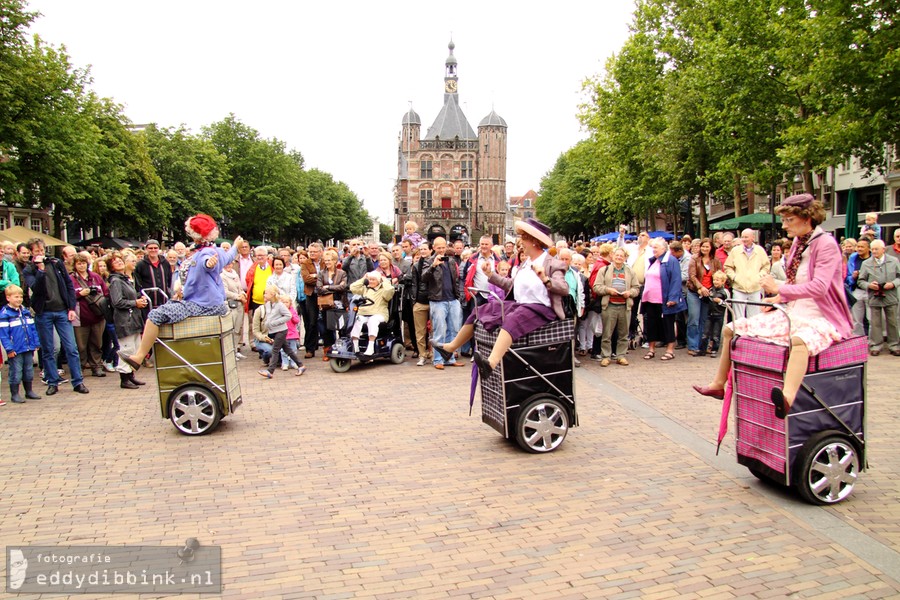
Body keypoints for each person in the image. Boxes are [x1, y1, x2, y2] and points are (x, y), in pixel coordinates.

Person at [693, 193, 853, 419]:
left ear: (806, 218)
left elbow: (819, 287)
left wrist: (780, 290)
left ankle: (786, 398)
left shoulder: (826, 244)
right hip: (795, 310)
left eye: (789, 220)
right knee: (732, 328)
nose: (784, 225)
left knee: (799, 342)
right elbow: (796, 282)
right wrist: (778, 300)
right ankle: (719, 383)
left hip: (822, 315)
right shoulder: (799, 243)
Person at [433, 218, 569, 380]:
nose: (520, 242)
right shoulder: (525, 264)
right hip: (520, 305)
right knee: (480, 310)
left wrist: (545, 278)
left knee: (512, 319)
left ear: (534, 241)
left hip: (541, 309)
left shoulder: (552, 263)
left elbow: (564, 288)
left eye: (523, 238)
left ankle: (490, 363)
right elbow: (511, 285)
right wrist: (491, 275)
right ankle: (450, 348)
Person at [118, 214, 241, 372]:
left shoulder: (205, 254)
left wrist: (209, 265)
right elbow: (227, 256)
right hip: (207, 302)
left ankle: (139, 356)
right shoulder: (212, 250)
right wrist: (235, 246)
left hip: (203, 304)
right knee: (168, 308)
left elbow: (207, 264)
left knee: (154, 316)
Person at [21, 238, 89, 396]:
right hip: (43, 312)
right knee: (49, 350)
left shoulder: (56, 263)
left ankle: (78, 381)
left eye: (42, 250)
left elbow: (68, 285)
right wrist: (40, 270)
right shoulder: (29, 270)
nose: (40, 253)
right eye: (37, 251)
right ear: (31, 252)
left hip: (62, 311)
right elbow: (36, 288)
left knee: (71, 348)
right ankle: (52, 382)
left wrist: (71, 307)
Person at [639, 238, 686, 361]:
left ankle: (670, 350)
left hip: (664, 299)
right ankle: (651, 349)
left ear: (664, 248)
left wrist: (673, 298)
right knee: (651, 324)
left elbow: (676, 280)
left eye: (656, 247)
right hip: (650, 299)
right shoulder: (654, 260)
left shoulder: (671, 260)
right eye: (653, 247)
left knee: (668, 323)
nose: (653, 250)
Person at [106, 251, 147, 389]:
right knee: (127, 348)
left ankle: (130, 375)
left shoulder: (124, 279)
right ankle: (124, 377)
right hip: (124, 320)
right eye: (115, 261)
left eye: (120, 260)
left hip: (133, 318)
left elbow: (131, 295)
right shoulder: (116, 281)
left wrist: (139, 299)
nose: (119, 262)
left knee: (135, 347)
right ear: (111, 266)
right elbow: (117, 302)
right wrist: (135, 303)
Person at [423, 237, 464, 369]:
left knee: (454, 330)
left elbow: (456, 279)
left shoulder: (451, 261)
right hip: (437, 300)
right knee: (439, 330)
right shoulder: (428, 261)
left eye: (443, 247)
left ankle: (450, 358)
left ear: (446, 247)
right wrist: (433, 265)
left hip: (452, 299)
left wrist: (458, 296)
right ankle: (438, 360)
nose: (441, 250)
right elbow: (424, 278)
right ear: (433, 247)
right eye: (438, 247)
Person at [594, 247, 640, 366]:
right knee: (607, 333)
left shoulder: (630, 271)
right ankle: (606, 356)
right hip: (609, 305)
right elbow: (596, 287)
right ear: (612, 256)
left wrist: (630, 293)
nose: (619, 257)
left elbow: (636, 288)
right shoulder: (604, 270)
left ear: (625, 258)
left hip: (625, 306)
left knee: (623, 333)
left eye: (621, 256)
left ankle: (621, 355)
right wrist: (608, 290)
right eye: (617, 255)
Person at [0, 284, 42, 404]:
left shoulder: (25, 311)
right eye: (15, 297)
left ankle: (29, 391)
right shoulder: (4, 314)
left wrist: (36, 342)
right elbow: (4, 334)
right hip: (15, 348)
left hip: (28, 346)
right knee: (16, 371)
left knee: (28, 370)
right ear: (8, 298)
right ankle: (15, 394)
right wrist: (9, 349)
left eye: (20, 297)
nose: (19, 299)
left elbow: (32, 328)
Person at [857, 239, 899, 356]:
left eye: (876, 249)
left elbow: (899, 277)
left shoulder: (894, 261)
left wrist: (893, 284)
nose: (874, 251)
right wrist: (869, 285)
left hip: (890, 295)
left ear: (883, 249)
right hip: (874, 296)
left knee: (892, 322)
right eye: (872, 249)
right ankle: (875, 345)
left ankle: (894, 345)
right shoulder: (866, 263)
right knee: (875, 322)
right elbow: (861, 281)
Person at [70, 252, 109, 378]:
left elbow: (105, 292)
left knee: (97, 343)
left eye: (83, 263)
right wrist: (80, 294)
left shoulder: (96, 277)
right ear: (75, 265)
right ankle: (80, 367)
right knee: (81, 345)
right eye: (79, 264)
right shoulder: (71, 279)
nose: (81, 266)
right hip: (80, 316)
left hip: (97, 315)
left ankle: (96, 366)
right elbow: (68, 295)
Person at [257, 286, 306, 378]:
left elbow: (288, 315)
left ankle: (270, 371)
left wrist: (275, 322)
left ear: (272, 294)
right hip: (274, 331)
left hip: (281, 330)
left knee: (275, 350)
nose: (264, 295)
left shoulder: (280, 305)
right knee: (288, 350)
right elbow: (269, 316)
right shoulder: (268, 304)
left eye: (266, 293)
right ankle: (301, 365)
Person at [686, 238, 721, 356]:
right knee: (694, 319)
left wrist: (711, 290)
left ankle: (702, 345)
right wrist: (700, 288)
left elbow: (718, 275)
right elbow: (692, 275)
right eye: (703, 246)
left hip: (708, 294)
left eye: (707, 246)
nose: (705, 249)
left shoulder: (715, 261)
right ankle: (692, 345)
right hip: (695, 292)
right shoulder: (694, 259)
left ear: (711, 248)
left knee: (704, 320)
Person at [724, 229, 769, 319]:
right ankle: (739, 333)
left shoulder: (760, 250)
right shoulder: (735, 250)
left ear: (753, 237)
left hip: (755, 288)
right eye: (742, 237)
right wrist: (735, 277)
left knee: (754, 317)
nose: (744, 239)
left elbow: (766, 266)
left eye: (746, 237)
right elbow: (727, 267)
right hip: (738, 288)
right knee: (738, 318)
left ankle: (751, 333)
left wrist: (759, 276)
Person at [348, 271, 395, 355]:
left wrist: (384, 280)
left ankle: (371, 347)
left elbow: (390, 290)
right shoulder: (365, 289)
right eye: (370, 279)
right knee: (356, 320)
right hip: (364, 313)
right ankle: (355, 346)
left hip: (379, 314)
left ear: (378, 280)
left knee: (373, 320)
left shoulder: (383, 290)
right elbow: (352, 287)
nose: (371, 281)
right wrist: (363, 279)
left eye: (373, 279)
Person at [315, 249, 348, 360]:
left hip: (339, 303)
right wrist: (335, 289)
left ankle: (343, 348)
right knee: (326, 328)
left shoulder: (342, 273)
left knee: (342, 327)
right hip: (325, 304)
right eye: (325, 260)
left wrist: (328, 287)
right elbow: (319, 288)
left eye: (329, 260)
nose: (327, 262)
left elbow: (343, 287)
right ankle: (328, 350)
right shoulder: (321, 273)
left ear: (335, 261)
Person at [699, 271, 730, 357]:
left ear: (723, 281)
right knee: (705, 334)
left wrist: (720, 301)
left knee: (716, 335)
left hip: (719, 315)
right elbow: (706, 300)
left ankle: (714, 350)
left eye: (718, 280)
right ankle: (702, 349)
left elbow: (729, 304)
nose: (715, 282)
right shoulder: (711, 289)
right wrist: (703, 296)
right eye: (714, 280)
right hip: (710, 314)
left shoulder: (725, 292)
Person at [221, 259, 246, 359]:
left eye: (230, 263)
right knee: (230, 329)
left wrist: (243, 294)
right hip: (230, 304)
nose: (228, 265)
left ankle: (235, 350)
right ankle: (229, 352)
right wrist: (238, 296)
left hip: (240, 304)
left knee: (238, 328)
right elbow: (225, 292)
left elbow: (240, 288)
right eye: (226, 264)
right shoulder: (222, 276)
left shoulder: (235, 274)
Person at [846, 238, 872, 336]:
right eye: (858, 246)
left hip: (871, 291)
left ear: (868, 248)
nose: (859, 249)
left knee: (871, 318)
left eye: (862, 247)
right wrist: (853, 277)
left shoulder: (873, 259)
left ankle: (872, 341)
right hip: (857, 290)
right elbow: (847, 277)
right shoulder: (853, 258)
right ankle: (858, 340)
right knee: (856, 319)